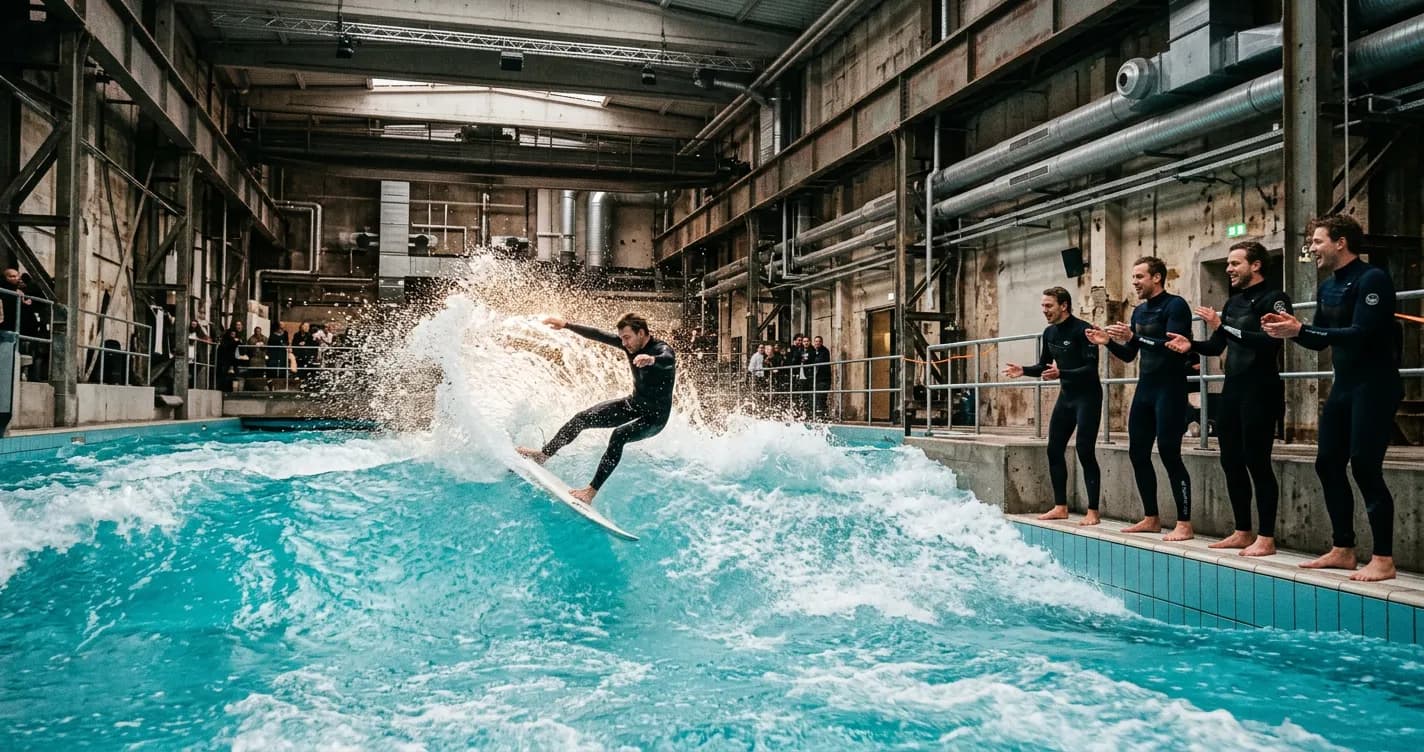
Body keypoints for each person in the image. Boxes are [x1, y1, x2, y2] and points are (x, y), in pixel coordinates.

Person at [1262, 214, 1404, 581]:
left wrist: (1302, 327)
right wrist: (1290, 333)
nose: (1312, 248)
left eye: (1318, 241)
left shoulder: (1372, 279)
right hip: (1345, 385)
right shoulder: (1328, 287)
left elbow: (1363, 332)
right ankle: (1343, 548)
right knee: (1327, 463)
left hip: (1375, 385)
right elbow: (1321, 338)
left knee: (1364, 466)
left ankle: (1384, 559)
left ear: (1341, 242)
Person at [1165, 241, 1290, 556]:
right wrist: (1190, 344)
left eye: (1235, 263)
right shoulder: (1234, 303)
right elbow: (1219, 344)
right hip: (1233, 388)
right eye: (1228, 264)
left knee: (1257, 461)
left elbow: (1267, 342)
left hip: (1261, 388)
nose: (1229, 269)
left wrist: (1224, 327)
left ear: (1256, 265)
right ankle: (1242, 530)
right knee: (1230, 459)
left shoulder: (1275, 299)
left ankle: (1267, 536)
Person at [1088, 256, 1195, 541]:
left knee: (1170, 454)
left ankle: (1184, 523)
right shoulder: (1138, 312)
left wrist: (1134, 338)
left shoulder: (1176, 306)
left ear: (1157, 277)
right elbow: (1130, 354)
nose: (1134, 282)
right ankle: (1151, 517)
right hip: (1146, 389)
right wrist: (1109, 342)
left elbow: (1174, 346)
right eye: (1133, 277)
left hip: (1171, 389)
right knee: (1138, 453)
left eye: (1139, 277)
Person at [518, 313, 676, 505]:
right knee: (582, 418)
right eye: (622, 338)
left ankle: (590, 493)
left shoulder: (661, 349)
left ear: (641, 333)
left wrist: (651, 360)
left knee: (619, 435)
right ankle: (543, 455)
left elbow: (667, 359)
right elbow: (599, 334)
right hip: (634, 405)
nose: (624, 343)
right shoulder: (629, 345)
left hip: (655, 418)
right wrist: (566, 324)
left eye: (627, 337)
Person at [1003, 287, 1103, 524]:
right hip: (1067, 397)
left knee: (1085, 451)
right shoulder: (1049, 333)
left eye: (1049, 306)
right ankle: (1060, 506)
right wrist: (1024, 371)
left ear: (1064, 306)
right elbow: (1043, 366)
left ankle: (1093, 511)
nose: (1044, 310)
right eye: (1043, 306)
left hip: (1088, 397)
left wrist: (1062, 372)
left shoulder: (1083, 330)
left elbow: (1090, 368)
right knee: (1054, 449)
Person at [811, 335, 832, 419]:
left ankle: (823, 416)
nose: (817, 343)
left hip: (823, 378)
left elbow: (819, 361)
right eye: (816, 341)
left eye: (819, 341)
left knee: (821, 397)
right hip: (816, 378)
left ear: (821, 342)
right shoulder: (813, 351)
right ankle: (820, 415)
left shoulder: (824, 351)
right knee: (817, 397)